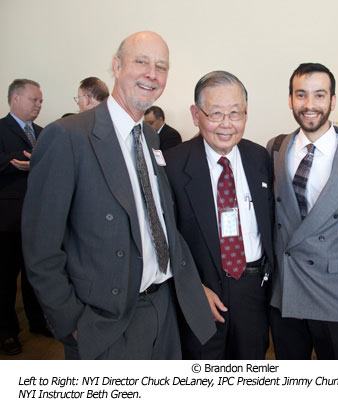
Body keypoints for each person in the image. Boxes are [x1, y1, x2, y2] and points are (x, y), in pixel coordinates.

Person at [22, 31, 215, 360]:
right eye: (141, 61)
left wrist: (190, 284)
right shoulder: (68, 137)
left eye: (161, 66)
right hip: (107, 323)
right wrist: (72, 321)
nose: (151, 74)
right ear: (116, 65)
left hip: (164, 310)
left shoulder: (152, 141)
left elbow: (163, 224)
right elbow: (40, 246)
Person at [266, 63, 338, 359]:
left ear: (332, 100)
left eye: (319, 95)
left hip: (336, 293)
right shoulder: (275, 148)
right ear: (291, 99)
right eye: (301, 95)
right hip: (286, 291)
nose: (309, 105)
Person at [164, 71, 273, 359]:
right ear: (195, 114)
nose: (226, 124)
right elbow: (165, 236)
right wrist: (192, 288)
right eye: (215, 113)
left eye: (235, 113)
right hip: (202, 291)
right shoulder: (173, 165)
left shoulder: (259, 158)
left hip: (253, 288)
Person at [0, 79, 49, 355]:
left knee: (35, 277)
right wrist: (16, 161)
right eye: (34, 100)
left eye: (41, 101)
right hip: (8, 220)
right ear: (15, 99)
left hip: (39, 218)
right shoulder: (1, 129)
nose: (39, 105)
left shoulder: (44, 132)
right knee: (6, 280)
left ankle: (38, 322)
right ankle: (7, 331)